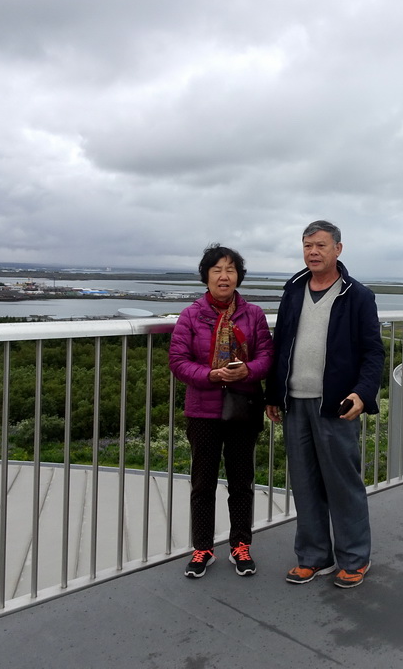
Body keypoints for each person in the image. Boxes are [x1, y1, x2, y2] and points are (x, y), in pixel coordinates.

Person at [266, 220, 384, 589]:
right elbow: (279, 345)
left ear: (338, 249)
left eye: (320, 245)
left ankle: (354, 559)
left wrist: (363, 394)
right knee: (303, 484)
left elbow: (372, 353)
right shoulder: (293, 290)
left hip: (335, 404)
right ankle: (314, 557)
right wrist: (272, 393)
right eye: (306, 245)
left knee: (342, 483)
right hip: (295, 403)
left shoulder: (357, 295)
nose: (312, 252)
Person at [169, 244, 273, 578]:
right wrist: (211, 375)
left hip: (243, 407)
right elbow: (178, 361)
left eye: (230, 269)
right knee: (203, 483)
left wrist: (248, 372)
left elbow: (267, 357)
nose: (224, 276)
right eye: (217, 270)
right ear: (206, 276)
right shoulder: (191, 315)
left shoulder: (253, 314)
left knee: (242, 481)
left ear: (239, 276)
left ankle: (241, 546)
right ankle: (202, 549)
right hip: (203, 410)